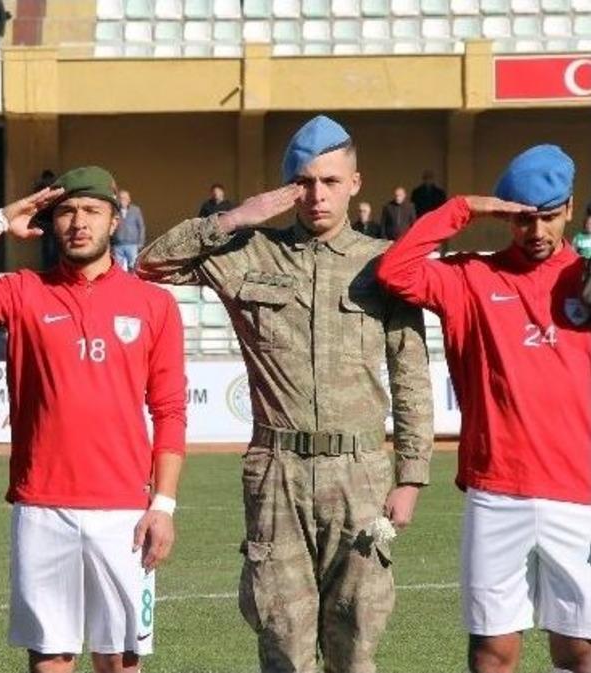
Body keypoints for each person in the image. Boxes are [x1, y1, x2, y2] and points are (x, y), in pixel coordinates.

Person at [136, 115, 434, 673]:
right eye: (304, 182)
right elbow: (151, 263)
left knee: (356, 645)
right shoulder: (249, 253)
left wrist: (412, 475)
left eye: (330, 181)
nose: (317, 195)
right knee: (283, 644)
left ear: (355, 183)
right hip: (277, 473)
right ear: (287, 187)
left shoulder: (383, 262)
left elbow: (409, 372)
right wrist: (235, 218)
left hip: (361, 476)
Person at [0, 166, 187, 673]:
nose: (78, 222)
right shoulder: (24, 290)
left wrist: (164, 505)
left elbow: (170, 409)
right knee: (50, 659)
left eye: (92, 210)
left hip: (125, 512)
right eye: (66, 211)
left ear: (115, 220)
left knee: (120, 661)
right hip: (41, 505)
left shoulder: (154, 303)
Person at [377, 144, 591, 673]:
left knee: (581, 650)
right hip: (497, 492)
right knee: (492, 652)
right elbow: (395, 272)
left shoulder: (586, 280)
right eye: (522, 218)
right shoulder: (471, 278)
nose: (535, 231)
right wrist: (465, 209)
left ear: (569, 208)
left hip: (581, 493)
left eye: (547, 216)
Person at [112, 188, 145, 272]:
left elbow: (141, 227)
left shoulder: (135, 210)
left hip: (132, 245)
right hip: (117, 245)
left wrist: (141, 242)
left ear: (129, 199)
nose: (123, 200)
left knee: (133, 267)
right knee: (118, 269)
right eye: (121, 198)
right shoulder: (115, 211)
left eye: (125, 198)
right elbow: (111, 226)